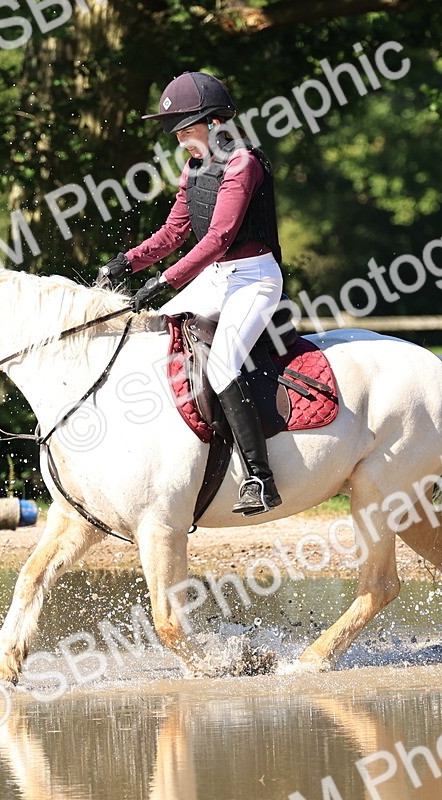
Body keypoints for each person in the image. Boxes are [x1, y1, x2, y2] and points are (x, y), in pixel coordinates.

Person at [98, 71, 284, 516]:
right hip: (217, 277)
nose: (179, 140)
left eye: (184, 129)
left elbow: (219, 237)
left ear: (214, 123)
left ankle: (260, 477)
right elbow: (174, 231)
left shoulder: (243, 163)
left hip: (254, 279)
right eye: (176, 132)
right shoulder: (196, 165)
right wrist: (126, 262)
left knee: (220, 365)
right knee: (154, 335)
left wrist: (164, 281)